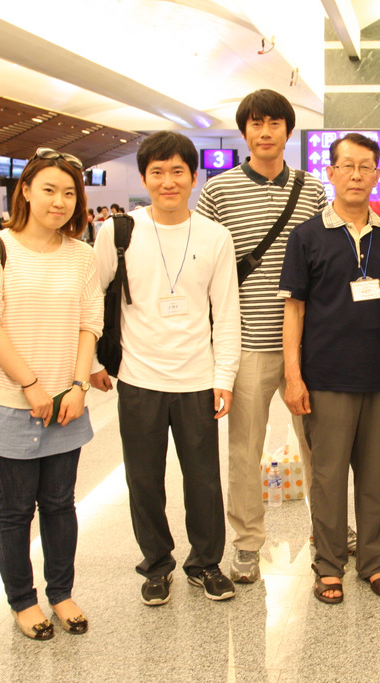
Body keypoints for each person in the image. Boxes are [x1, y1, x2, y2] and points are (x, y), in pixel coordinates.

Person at [91, 131, 241, 605]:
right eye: (157, 172)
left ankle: (206, 563)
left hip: (197, 379)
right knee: (143, 481)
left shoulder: (215, 236)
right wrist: (93, 361)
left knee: (204, 481)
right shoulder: (118, 232)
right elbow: (92, 297)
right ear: (144, 178)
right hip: (139, 380)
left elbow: (227, 313)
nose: (168, 181)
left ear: (194, 178)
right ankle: (156, 564)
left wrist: (224, 378)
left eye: (178, 171)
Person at [0, 148, 103, 641]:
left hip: (66, 404)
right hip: (5, 401)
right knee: (16, 508)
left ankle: (61, 593)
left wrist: (78, 385)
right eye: (48, 190)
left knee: (60, 503)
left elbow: (90, 323)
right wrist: (29, 384)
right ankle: (23, 601)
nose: (59, 201)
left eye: (69, 194)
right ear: (24, 190)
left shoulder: (82, 255)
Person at [196, 89, 327, 584]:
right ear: (244, 131)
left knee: (319, 446)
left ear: (288, 132)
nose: (265, 132)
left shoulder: (312, 189)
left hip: (307, 345)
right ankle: (248, 542)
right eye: (255, 123)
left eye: (274, 123)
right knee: (243, 450)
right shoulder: (218, 191)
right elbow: (202, 267)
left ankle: (330, 531)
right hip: (246, 342)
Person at [280, 133, 380, 604]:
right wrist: (294, 377)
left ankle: (372, 560)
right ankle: (329, 564)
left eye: (365, 166)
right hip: (326, 377)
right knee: (328, 477)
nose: (356, 175)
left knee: (373, 475)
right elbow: (294, 309)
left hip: (377, 377)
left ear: (377, 175)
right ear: (330, 173)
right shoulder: (307, 235)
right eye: (346, 166)